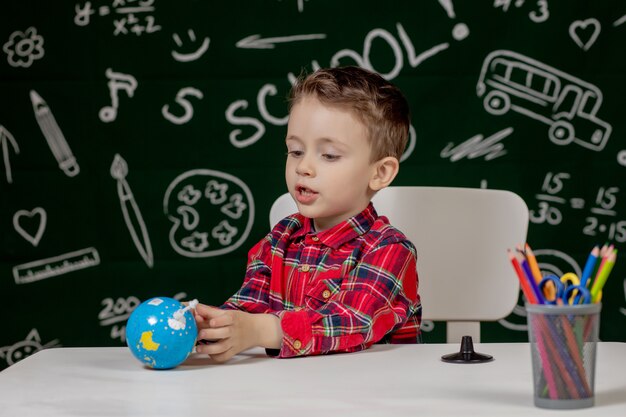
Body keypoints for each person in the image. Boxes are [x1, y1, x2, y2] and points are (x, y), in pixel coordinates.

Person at [193, 66, 421, 362]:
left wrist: (262, 330)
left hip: (374, 397)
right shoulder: (280, 238)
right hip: (297, 395)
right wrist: (216, 326)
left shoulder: (388, 250)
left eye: (328, 155)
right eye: (296, 151)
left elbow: (351, 321)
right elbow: (249, 306)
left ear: (379, 173)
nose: (303, 167)